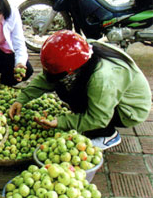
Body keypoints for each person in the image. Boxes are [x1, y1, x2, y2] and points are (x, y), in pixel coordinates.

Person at [9, 30, 151, 150]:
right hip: (110, 95)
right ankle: (86, 118)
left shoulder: (102, 79)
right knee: (63, 85)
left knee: (72, 94)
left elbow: (98, 118)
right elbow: (48, 77)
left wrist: (61, 122)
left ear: (72, 70)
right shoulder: (82, 51)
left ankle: (107, 135)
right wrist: (22, 99)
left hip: (130, 110)